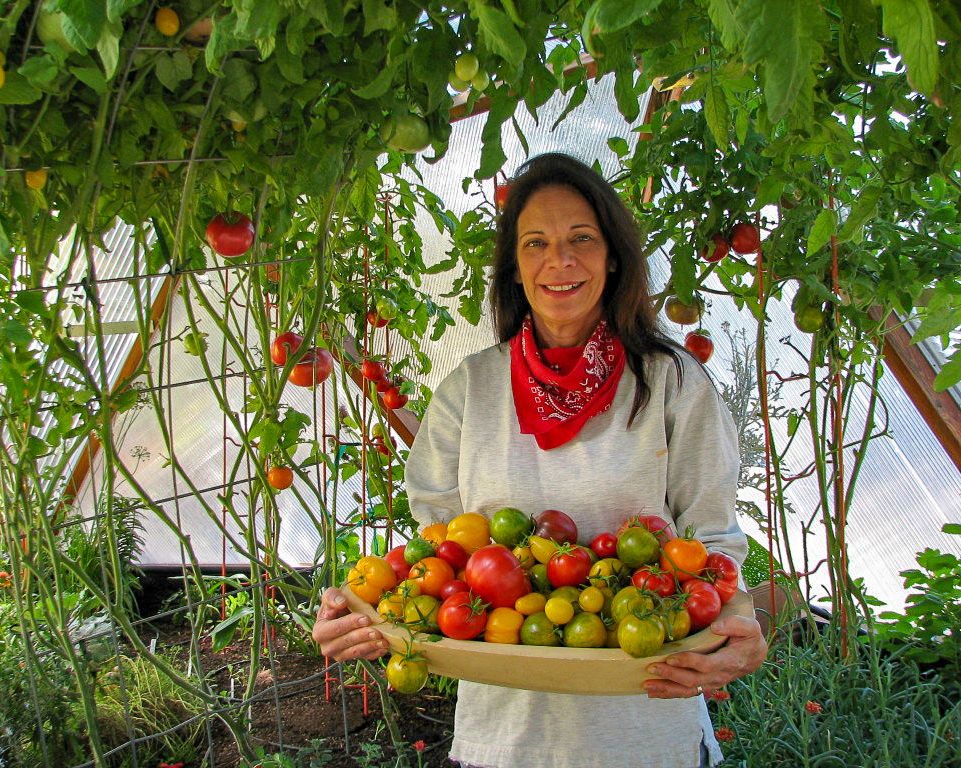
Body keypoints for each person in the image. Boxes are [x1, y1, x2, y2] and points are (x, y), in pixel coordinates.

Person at [313, 153, 768, 767]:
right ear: (516, 268)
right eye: (536, 243)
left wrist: (740, 625)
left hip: (646, 732)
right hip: (502, 737)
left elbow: (712, 540)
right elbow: (435, 554)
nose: (561, 260)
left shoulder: (670, 383)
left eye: (582, 238)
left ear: (613, 255)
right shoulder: (471, 389)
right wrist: (363, 610)